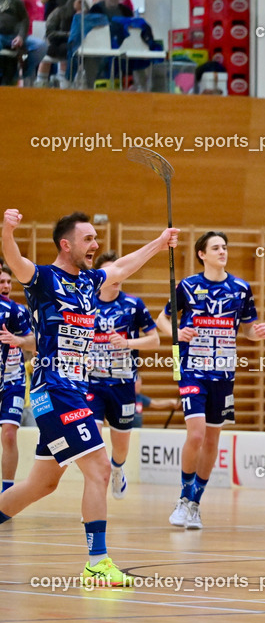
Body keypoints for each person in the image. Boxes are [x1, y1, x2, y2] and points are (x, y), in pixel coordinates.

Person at [0, 208, 178, 586]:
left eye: (96, 239)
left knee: (40, 486)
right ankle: (97, 562)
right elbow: (14, 258)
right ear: (66, 245)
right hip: (55, 388)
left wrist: (160, 244)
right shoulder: (43, 279)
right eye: (88, 239)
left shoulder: (88, 282)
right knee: (99, 469)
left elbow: (123, 267)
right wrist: (8, 229)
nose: (96, 245)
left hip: (72, 391)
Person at [158, 231, 265, 530]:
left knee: (211, 440)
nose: (223, 251)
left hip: (224, 373)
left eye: (225, 247)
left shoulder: (241, 288)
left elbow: (246, 329)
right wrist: (176, 333)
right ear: (202, 254)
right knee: (195, 434)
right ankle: (183, 498)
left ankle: (195, 503)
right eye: (216, 248)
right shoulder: (187, 286)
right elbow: (162, 318)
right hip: (193, 369)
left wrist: (255, 334)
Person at [87, 250, 159, 499]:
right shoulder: (87, 303)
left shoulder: (133, 305)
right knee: (92, 443)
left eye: (121, 271)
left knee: (120, 449)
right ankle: (94, 495)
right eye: (110, 272)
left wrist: (127, 344)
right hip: (92, 385)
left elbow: (155, 340)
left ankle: (117, 469)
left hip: (123, 385)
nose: (117, 276)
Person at [0, 264, 32, 494]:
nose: (6, 286)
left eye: (9, 282)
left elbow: (35, 343)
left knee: (9, 434)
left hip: (12, 381)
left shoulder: (16, 311)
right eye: (2, 281)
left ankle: (6, 493)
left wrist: (17, 340)